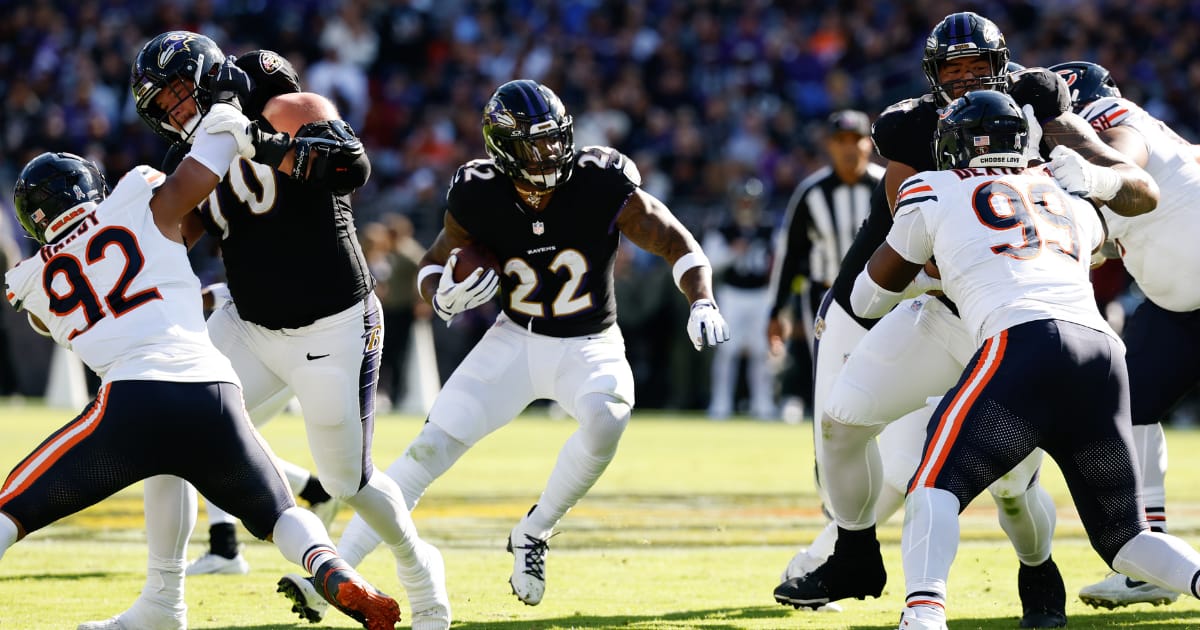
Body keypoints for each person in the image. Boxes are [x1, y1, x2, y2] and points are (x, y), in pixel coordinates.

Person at [279, 78, 730, 619]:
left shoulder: (600, 179)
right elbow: (431, 263)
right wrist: (440, 293)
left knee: (608, 418)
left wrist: (701, 300)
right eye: (535, 144)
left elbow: (674, 239)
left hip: (589, 342)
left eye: (556, 138)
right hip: (514, 340)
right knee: (424, 453)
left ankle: (535, 530)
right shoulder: (478, 192)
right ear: (504, 149)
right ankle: (332, 578)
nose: (551, 153)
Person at [773, 12, 1160, 628]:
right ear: (933, 78)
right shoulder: (909, 130)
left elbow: (1129, 192)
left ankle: (1038, 572)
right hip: (943, 307)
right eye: (952, 70)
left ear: (1003, 70)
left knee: (1012, 489)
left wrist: (1093, 177)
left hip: (1019, 323)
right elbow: (918, 247)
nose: (964, 79)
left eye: (976, 67)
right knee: (841, 419)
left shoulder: (1042, 104)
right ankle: (853, 552)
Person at [2, 93, 400, 630]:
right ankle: (330, 566)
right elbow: (210, 155)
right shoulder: (141, 198)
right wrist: (227, 108)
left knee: (13, 507)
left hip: (131, 402)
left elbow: (48, 313)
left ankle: (167, 601)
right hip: (214, 389)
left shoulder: (31, 283)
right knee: (279, 513)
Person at [129, 31, 450, 629]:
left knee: (348, 481)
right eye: (162, 106)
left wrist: (256, 139)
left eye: (177, 93)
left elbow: (351, 166)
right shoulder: (186, 160)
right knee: (166, 435)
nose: (175, 112)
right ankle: (160, 603)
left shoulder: (280, 103)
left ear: (206, 77)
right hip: (249, 325)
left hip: (333, 323)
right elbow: (168, 239)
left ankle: (419, 571)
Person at [849, 88, 1200, 630]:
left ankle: (923, 614)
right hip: (1101, 354)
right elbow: (1117, 218)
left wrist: (937, 270)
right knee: (1127, 538)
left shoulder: (931, 187)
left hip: (1021, 345)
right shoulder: (1066, 192)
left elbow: (866, 299)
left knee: (934, 485)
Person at [1050, 60, 1200, 610]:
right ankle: (1152, 557)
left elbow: (1123, 156)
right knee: (1128, 405)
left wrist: (1098, 178)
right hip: (1176, 307)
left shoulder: (1112, 120)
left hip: (1184, 300)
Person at [768, 109, 883, 421]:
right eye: (840, 140)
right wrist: (777, 311)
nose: (848, 148)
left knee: (880, 376)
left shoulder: (886, 185)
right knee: (829, 377)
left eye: (855, 139)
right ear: (829, 146)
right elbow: (790, 254)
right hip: (825, 297)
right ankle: (829, 447)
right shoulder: (810, 192)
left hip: (884, 297)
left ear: (869, 143)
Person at [702, 177, 776, 420]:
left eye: (750, 201)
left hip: (761, 294)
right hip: (732, 294)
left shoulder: (769, 229)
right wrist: (732, 252)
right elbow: (709, 262)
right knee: (726, 351)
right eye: (742, 201)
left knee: (761, 352)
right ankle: (720, 403)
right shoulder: (723, 228)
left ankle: (763, 404)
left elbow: (782, 259)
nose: (746, 205)